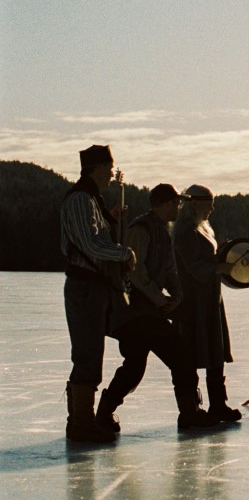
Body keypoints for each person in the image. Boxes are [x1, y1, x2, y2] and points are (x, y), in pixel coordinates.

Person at [95, 184, 220, 432]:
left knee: (138, 365)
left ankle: (105, 413)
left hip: (150, 311)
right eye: (175, 203)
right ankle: (188, 413)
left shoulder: (163, 230)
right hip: (136, 312)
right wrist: (158, 297)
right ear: (164, 204)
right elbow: (135, 271)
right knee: (174, 358)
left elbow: (170, 270)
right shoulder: (140, 229)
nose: (179, 207)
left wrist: (176, 294)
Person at [59, 144, 137, 442]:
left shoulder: (89, 198)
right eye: (108, 166)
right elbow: (91, 245)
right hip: (85, 287)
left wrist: (110, 220)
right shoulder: (81, 199)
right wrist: (125, 253)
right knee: (87, 353)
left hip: (92, 287)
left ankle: (82, 420)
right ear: (97, 168)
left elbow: (92, 237)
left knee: (90, 351)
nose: (111, 172)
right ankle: (80, 424)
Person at [172, 185, 241, 422]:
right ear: (195, 203)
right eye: (209, 202)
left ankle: (218, 404)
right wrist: (220, 267)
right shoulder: (185, 232)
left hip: (210, 300)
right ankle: (191, 409)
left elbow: (203, 262)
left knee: (215, 353)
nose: (212, 207)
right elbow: (194, 267)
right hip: (193, 302)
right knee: (190, 355)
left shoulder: (202, 230)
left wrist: (220, 254)